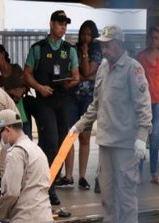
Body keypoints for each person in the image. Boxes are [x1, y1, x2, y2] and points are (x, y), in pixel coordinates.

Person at [68, 25, 152, 223]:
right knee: (107, 194)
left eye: (107, 44)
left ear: (119, 43)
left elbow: (144, 107)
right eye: (102, 44)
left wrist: (141, 139)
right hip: (106, 141)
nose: (103, 49)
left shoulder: (133, 69)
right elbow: (96, 104)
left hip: (126, 144)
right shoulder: (104, 68)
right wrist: (80, 124)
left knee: (126, 194)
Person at [23, 10, 80, 205]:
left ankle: (49, 182)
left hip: (63, 101)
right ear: (51, 24)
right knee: (51, 143)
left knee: (61, 146)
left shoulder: (69, 49)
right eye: (60, 23)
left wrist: (69, 82)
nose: (63, 27)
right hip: (44, 101)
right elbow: (27, 74)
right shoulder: (38, 48)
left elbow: (76, 75)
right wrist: (40, 87)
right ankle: (47, 188)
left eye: (65, 23)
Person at [58, 20, 102, 191]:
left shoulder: (97, 51)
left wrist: (84, 54)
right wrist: (84, 76)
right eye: (83, 33)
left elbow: (87, 72)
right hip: (71, 97)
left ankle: (82, 176)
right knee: (70, 135)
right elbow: (75, 74)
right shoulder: (72, 50)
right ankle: (68, 176)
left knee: (84, 137)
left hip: (88, 99)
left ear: (93, 35)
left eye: (89, 34)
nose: (85, 37)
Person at [137, 25, 159, 185]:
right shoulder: (141, 57)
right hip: (143, 104)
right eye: (151, 37)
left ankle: (154, 174)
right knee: (141, 138)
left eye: (156, 38)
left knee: (155, 138)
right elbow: (135, 80)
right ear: (147, 39)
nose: (153, 40)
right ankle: (137, 173)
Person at [0, 44, 32, 138]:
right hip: (4, 111)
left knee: (26, 137)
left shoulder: (16, 68)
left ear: (2, 54)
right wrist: (11, 92)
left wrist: (21, 90)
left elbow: (27, 85)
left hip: (20, 109)